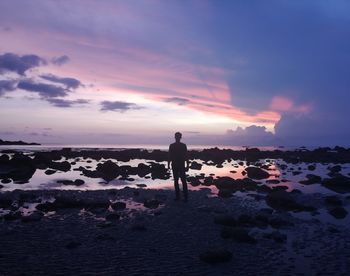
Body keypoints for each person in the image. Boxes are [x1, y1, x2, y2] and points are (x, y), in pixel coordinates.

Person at [168, 132, 189, 201]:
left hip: (179, 165)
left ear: (179, 137)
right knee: (178, 181)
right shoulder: (173, 145)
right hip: (176, 165)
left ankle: (183, 196)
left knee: (181, 181)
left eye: (178, 136)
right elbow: (170, 156)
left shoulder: (182, 145)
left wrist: (187, 165)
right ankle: (180, 196)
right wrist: (168, 164)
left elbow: (186, 155)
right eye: (177, 136)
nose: (177, 137)